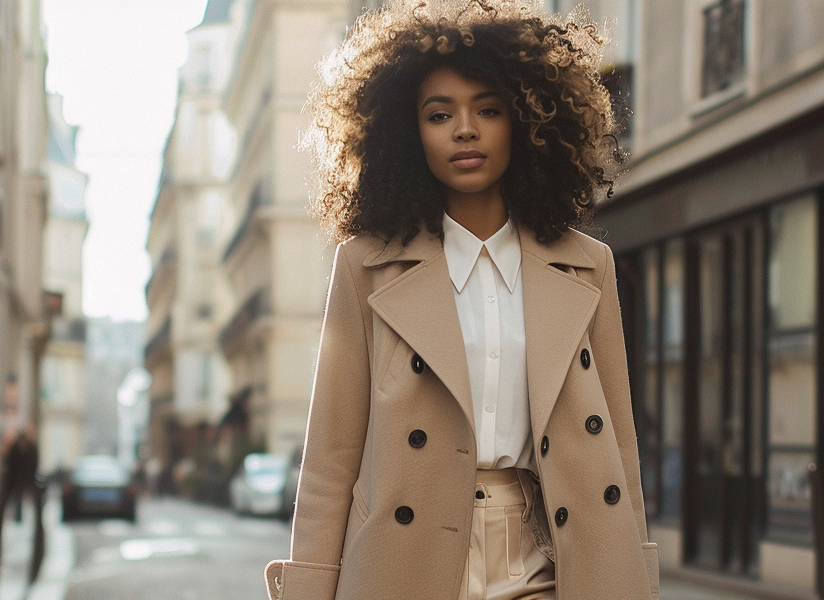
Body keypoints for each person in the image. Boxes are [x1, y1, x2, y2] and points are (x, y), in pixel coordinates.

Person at [265, 1, 659, 599]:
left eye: (489, 110)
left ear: (527, 121)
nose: (465, 130)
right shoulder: (365, 267)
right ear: (407, 131)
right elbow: (329, 461)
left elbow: (619, 450)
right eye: (439, 114)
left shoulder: (587, 267)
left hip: (548, 557)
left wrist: (633, 576)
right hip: (409, 559)